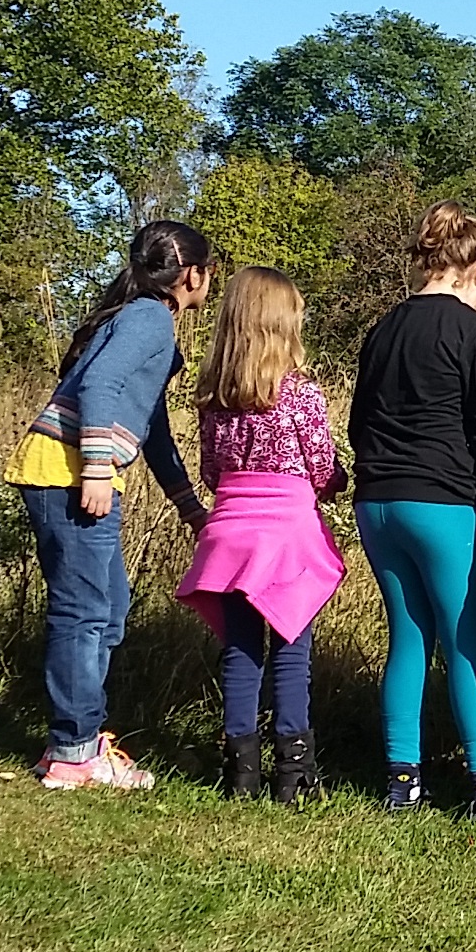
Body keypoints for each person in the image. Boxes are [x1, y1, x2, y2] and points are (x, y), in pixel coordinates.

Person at [4, 220, 213, 792]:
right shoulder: (149, 317)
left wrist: (187, 504)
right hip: (68, 473)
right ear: (192, 274)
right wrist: (96, 466)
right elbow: (96, 387)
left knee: (108, 605)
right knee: (84, 610)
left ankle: (77, 738)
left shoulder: (145, 317)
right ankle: (74, 751)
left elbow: (152, 426)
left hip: (67, 471)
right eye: (208, 271)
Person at [350, 201, 476, 823]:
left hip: (378, 503)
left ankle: (402, 780)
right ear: (475, 269)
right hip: (441, 500)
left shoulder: (384, 326)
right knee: (467, 641)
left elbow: (357, 418)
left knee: (408, 638)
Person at [177, 267, 347, 806]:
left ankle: (239, 768)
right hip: (285, 535)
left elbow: (209, 472)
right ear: (284, 326)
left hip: (229, 531)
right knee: (292, 646)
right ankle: (294, 771)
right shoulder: (300, 396)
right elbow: (320, 469)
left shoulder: (215, 398)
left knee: (241, 649)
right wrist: (340, 479)